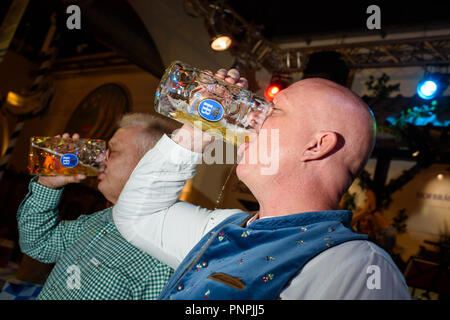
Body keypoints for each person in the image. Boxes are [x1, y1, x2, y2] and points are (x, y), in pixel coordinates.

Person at [113, 69, 411, 299]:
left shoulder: (359, 268)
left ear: (317, 145)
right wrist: (197, 129)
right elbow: (139, 216)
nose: (253, 115)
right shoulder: (226, 227)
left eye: (273, 110)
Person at [17, 113, 177, 300]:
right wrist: (48, 184)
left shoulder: (165, 256)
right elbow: (38, 244)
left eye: (113, 151)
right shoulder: (101, 220)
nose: (100, 160)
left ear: (150, 164)